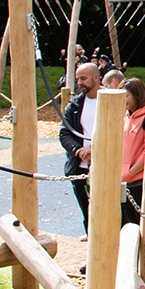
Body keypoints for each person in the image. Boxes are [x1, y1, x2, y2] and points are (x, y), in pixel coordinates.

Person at [59, 63, 102, 240]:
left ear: (96, 78)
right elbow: (64, 132)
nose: (79, 83)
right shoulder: (75, 103)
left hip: (102, 163)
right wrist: (79, 151)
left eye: (83, 79)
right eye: (78, 79)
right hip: (81, 164)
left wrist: (95, 149)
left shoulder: (110, 98)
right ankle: (89, 233)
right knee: (85, 204)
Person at [120, 78, 145, 226]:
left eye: (126, 96)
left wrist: (133, 170)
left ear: (136, 95)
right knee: (127, 222)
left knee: (138, 221)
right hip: (123, 178)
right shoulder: (125, 116)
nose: (123, 100)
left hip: (137, 178)